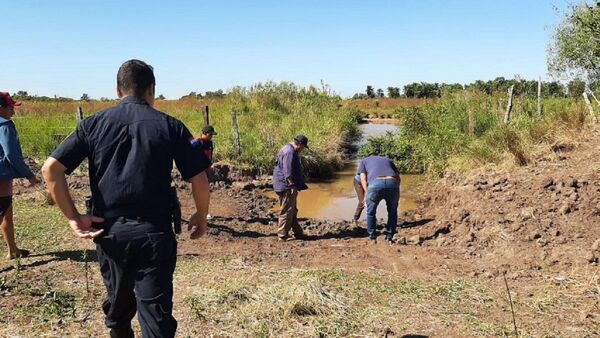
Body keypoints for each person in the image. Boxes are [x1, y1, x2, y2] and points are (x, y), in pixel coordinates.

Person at [42, 60, 211, 338]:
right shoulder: (171, 126)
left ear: (117, 90)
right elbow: (200, 179)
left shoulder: (92, 125)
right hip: (154, 233)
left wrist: (74, 218)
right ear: (151, 90)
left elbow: (51, 170)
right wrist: (201, 216)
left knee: (118, 312)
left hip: (109, 233)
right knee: (156, 317)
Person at [0, 92, 40, 259]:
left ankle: (13, 250)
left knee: (6, 213)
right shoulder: (5, 126)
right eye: (10, 108)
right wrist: (29, 174)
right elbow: (11, 154)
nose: (13, 112)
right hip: (1, 176)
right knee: (2, 211)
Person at [272, 135, 309, 241]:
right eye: (303, 147)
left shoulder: (286, 149)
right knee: (287, 210)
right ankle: (282, 235)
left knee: (292, 210)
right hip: (286, 186)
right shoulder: (290, 152)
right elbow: (287, 171)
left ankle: (298, 233)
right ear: (300, 144)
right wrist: (292, 185)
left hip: (282, 184)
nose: (302, 150)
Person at [357, 153, 400, 244]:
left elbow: (363, 179)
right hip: (392, 183)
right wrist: (396, 189)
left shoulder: (364, 161)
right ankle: (390, 237)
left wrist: (367, 192)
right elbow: (398, 177)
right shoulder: (388, 160)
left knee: (371, 212)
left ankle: (372, 237)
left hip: (375, 185)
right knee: (393, 212)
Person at [195, 125, 216, 220]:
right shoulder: (197, 143)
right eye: (211, 134)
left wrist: (209, 167)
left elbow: (209, 156)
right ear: (205, 134)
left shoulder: (210, 143)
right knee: (201, 193)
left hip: (206, 171)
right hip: (198, 172)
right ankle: (201, 213)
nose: (212, 136)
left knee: (206, 192)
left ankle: (204, 212)